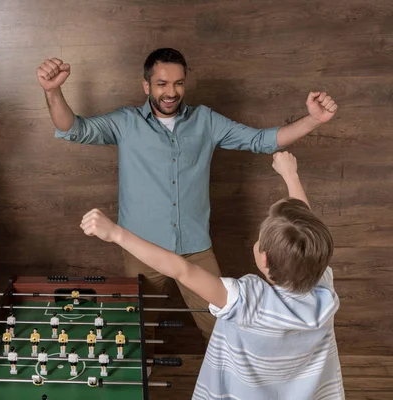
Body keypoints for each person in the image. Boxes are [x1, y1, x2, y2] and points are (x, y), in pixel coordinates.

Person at [36, 48, 338, 344]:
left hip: (195, 248)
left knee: (221, 327)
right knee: (139, 329)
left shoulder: (206, 121)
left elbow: (261, 140)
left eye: (178, 83)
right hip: (141, 247)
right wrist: (52, 92)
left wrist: (313, 120)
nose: (171, 92)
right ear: (146, 85)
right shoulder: (125, 122)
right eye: (162, 84)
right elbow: (73, 128)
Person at [80, 151, 344, 399]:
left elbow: (182, 269)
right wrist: (290, 175)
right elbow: (307, 235)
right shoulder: (323, 288)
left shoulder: (248, 301)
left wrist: (116, 233)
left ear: (263, 258)